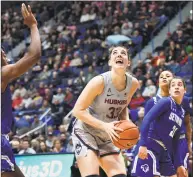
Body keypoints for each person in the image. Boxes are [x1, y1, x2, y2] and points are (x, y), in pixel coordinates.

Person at [72, 46, 139, 177]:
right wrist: (104, 126)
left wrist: (127, 123)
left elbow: (123, 106)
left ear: (128, 62)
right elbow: (77, 111)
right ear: (110, 62)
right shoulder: (99, 81)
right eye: (115, 53)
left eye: (123, 53)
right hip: (86, 130)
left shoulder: (133, 84)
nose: (119, 55)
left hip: (110, 132)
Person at [1, 3, 41, 177]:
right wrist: (33, 26)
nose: (4, 54)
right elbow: (34, 55)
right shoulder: (2, 74)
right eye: (1, 53)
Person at [133, 70, 192, 177]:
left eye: (179, 85)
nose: (177, 87)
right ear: (169, 90)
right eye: (173, 85)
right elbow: (146, 119)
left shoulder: (182, 111)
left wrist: (179, 164)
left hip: (164, 150)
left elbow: (175, 140)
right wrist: (142, 144)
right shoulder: (165, 102)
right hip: (151, 145)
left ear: (185, 90)